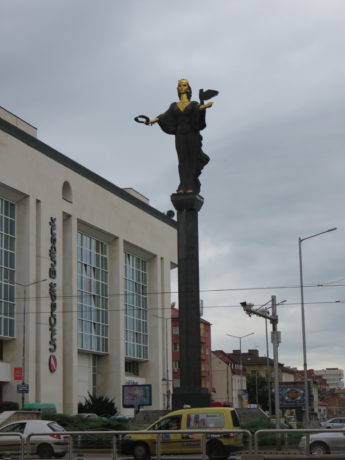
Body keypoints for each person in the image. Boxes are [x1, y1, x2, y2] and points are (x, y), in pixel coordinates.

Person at [144, 79, 214, 194]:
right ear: (178, 88)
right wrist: (150, 120)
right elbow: (163, 116)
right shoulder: (174, 105)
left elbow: (198, 110)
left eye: (184, 85)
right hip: (180, 134)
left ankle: (190, 185)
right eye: (180, 85)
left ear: (188, 88)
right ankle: (182, 185)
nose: (182, 87)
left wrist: (204, 106)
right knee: (182, 160)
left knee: (192, 159)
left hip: (192, 134)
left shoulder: (194, 104)